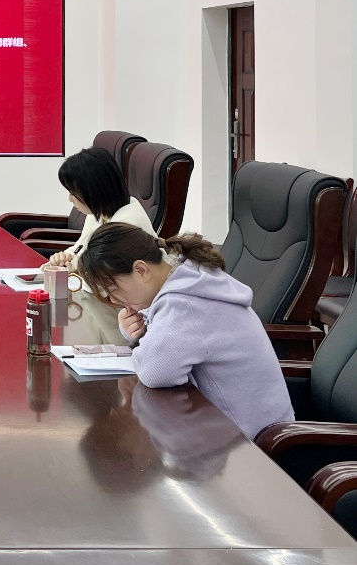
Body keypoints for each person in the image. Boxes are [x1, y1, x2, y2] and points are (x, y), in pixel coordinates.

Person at [78, 222, 294, 440]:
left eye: (113, 289)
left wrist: (145, 343)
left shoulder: (184, 305)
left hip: (254, 442)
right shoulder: (188, 274)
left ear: (141, 270)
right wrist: (138, 330)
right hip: (252, 424)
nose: (114, 299)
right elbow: (169, 336)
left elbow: (155, 373)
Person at [42, 147, 155, 344]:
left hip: (124, 318)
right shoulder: (101, 212)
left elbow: (104, 281)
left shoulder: (124, 224)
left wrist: (73, 266)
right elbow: (80, 248)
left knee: (63, 337)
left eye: (73, 192)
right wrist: (64, 258)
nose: (70, 199)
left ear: (92, 191)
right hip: (99, 307)